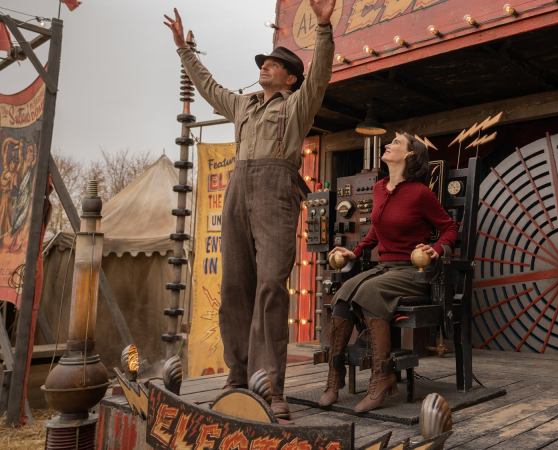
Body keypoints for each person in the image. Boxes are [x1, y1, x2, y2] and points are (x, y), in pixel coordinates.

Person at [163, 1, 336, 419]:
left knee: (271, 285)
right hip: (239, 192)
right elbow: (208, 86)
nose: (265, 66)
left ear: (290, 78)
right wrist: (183, 50)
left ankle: (271, 386)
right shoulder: (243, 105)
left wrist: (324, 27)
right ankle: (238, 376)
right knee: (234, 288)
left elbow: (320, 75)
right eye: (263, 63)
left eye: (274, 64)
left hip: (276, 191)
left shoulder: (296, 106)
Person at [320, 132, 457, 412]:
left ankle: (382, 376)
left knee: (370, 292)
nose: (388, 145)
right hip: (385, 269)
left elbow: (449, 228)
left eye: (396, 143)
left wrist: (436, 250)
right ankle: (335, 375)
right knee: (343, 295)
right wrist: (355, 252)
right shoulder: (379, 188)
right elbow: (376, 229)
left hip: (413, 272)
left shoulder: (420, 193)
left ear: (410, 154)